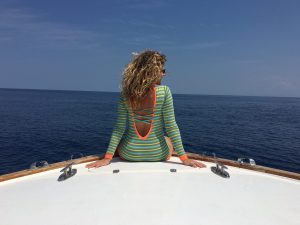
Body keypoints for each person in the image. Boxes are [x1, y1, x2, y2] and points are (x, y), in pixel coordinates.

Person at [86, 50, 206, 169]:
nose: (164, 74)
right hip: (158, 154)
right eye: (162, 71)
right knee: (167, 138)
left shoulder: (125, 94)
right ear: (153, 72)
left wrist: (107, 158)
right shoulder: (164, 92)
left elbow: (119, 128)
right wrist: (184, 159)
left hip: (130, 153)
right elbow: (171, 126)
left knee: (123, 140)